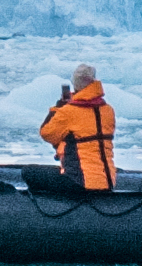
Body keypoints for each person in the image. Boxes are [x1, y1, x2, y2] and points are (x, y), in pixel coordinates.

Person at [25, 63, 115, 195]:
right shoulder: (108, 110)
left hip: (79, 182)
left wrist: (58, 108)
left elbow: (47, 134)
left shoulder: (68, 111)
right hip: (108, 181)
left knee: (29, 172)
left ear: (75, 83)